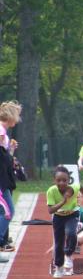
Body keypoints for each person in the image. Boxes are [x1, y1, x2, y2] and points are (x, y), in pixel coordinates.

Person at [47, 166, 83, 278]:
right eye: (59, 180)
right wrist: (63, 202)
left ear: (69, 180)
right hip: (58, 216)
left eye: (64, 180)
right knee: (59, 243)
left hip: (72, 215)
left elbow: (81, 187)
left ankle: (68, 254)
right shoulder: (51, 191)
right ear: (54, 180)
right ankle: (59, 268)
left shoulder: (73, 188)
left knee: (71, 233)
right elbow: (50, 210)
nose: (62, 183)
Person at [0, 100, 22, 253]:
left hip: (5, 177)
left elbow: (5, 157)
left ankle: (2, 242)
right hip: (1, 179)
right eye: (17, 115)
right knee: (8, 212)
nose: (18, 119)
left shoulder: (4, 132)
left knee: (5, 212)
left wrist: (11, 150)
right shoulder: (1, 131)